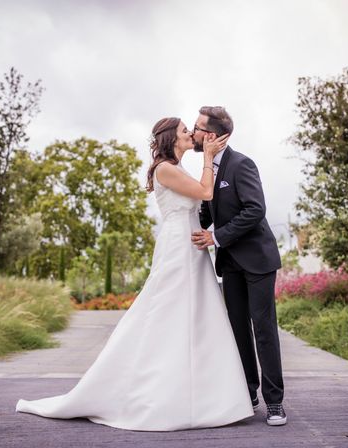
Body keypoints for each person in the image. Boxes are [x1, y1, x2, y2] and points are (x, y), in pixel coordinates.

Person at [15, 117, 253, 431]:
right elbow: (206, 193)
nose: (190, 135)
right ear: (171, 138)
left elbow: (201, 203)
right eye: (185, 131)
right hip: (177, 248)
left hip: (193, 249)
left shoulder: (178, 168)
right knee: (165, 315)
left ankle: (205, 397)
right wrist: (209, 158)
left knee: (197, 318)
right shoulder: (164, 169)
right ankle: (140, 389)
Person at [190, 106, 286, 426]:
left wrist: (217, 237)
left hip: (257, 260)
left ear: (212, 136)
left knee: (264, 331)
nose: (193, 132)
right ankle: (248, 391)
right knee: (238, 331)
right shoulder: (207, 170)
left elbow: (255, 209)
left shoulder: (242, 164)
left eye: (197, 128)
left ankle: (274, 402)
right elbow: (208, 214)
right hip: (230, 263)